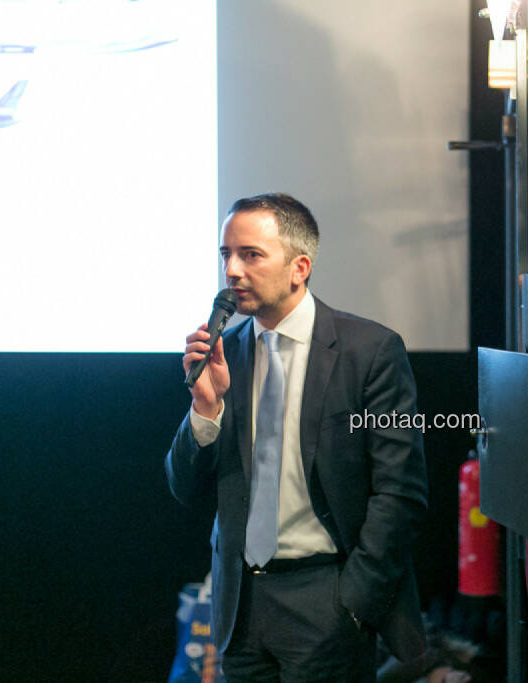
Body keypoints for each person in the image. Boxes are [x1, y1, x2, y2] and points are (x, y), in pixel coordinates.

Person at [166, 193, 429, 681]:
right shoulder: (226, 354)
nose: (232, 271)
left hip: (327, 598)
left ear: (299, 268)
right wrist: (206, 409)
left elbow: (400, 492)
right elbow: (185, 488)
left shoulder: (369, 351)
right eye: (226, 255)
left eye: (251, 255)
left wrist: (355, 602)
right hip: (241, 605)